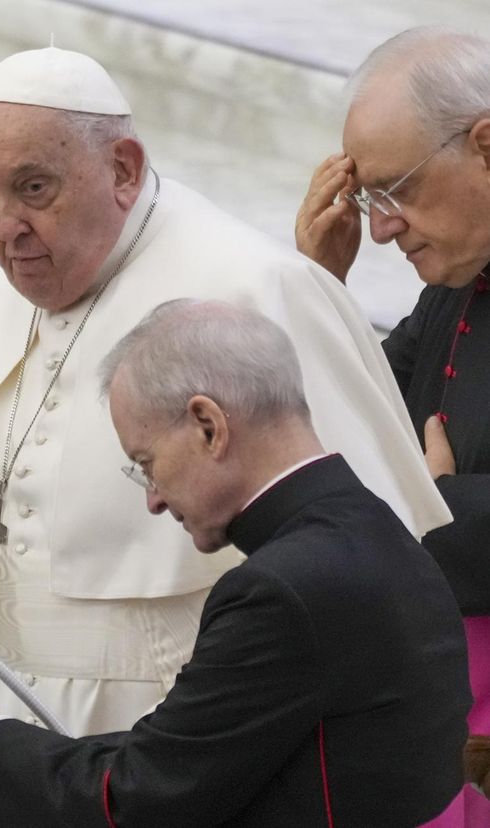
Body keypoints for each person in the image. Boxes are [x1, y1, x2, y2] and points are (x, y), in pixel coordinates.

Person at [0, 45, 449, 753]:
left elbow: (366, 566)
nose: (6, 228)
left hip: (206, 739)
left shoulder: (253, 292)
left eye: (33, 188)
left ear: (123, 169)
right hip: (17, 732)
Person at [0, 300, 472, 826]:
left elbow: (146, 799)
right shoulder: (369, 526)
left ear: (208, 425)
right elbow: (192, 761)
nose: (151, 499)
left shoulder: (283, 590)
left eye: (146, 463)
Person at [295, 26, 490, 822]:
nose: (379, 229)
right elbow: (354, 429)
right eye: (367, 198)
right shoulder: (455, 276)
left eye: (395, 190)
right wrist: (318, 285)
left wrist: (442, 507)